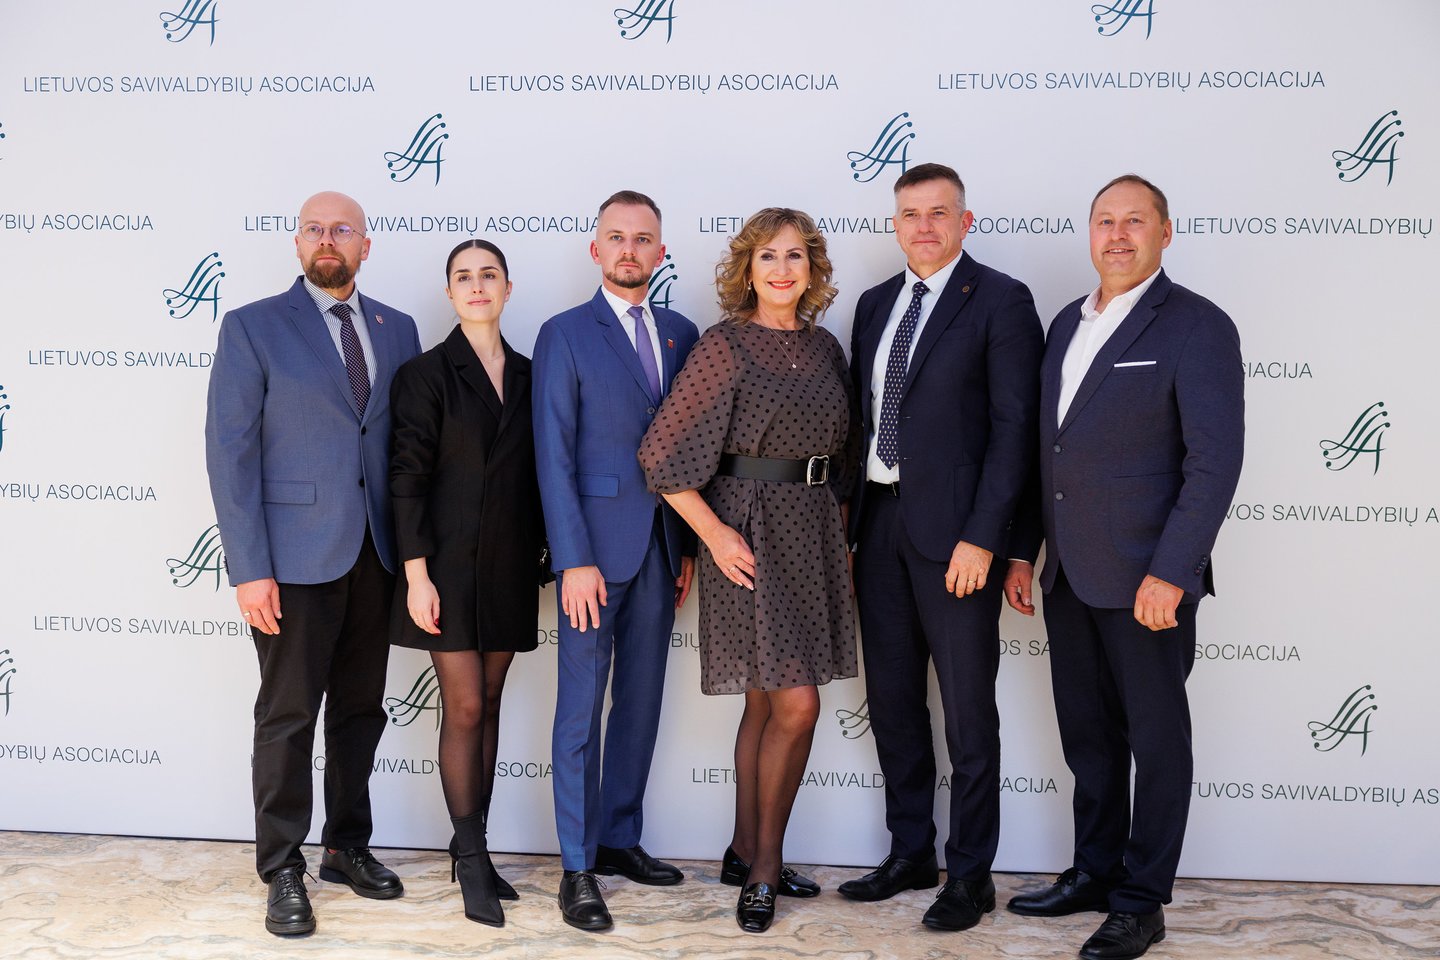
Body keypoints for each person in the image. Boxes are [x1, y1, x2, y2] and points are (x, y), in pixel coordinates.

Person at [1004, 174, 1244, 960]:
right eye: (1104, 221)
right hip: (1069, 575)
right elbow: (1050, 453)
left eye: (1134, 221)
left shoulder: (1198, 326)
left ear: (1164, 234)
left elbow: (1213, 464)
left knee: (1157, 741)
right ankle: (1095, 871)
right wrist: (1024, 550)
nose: (1116, 235)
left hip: (1148, 580)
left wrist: (1173, 571)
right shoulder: (1065, 324)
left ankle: (1142, 901)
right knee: (1089, 736)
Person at [205, 191, 421, 936]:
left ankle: (346, 846)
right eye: (314, 229)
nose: (328, 240)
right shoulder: (253, 326)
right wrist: (248, 568)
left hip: (376, 555)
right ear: (298, 243)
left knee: (361, 711)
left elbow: (403, 446)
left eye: (342, 229)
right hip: (292, 561)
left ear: (366, 244)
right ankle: (282, 866)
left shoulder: (398, 328)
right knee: (289, 713)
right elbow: (230, 452)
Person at [639, 207, 859, 933]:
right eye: (768, 256)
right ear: (747, 269)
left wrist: (842, 543)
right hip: (748, 535)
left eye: (795, 256)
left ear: (812, 267)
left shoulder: (826, 348)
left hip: (813, 533)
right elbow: (661, 455)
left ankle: (742, 850)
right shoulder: (725, 344)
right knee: (797, 707)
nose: (782, 269)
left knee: (766, 706)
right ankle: (765, 869)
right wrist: (713, 536)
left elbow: (843, 456)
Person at [840, 163, 1043, 932]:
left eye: (938, 212)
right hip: (879, 528)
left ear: (965, 221)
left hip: (959, 539)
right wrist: (849, 531)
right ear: (895, 224)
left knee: (967, 714)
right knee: (894, 704)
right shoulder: (874, 304)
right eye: (910, 214)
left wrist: (985, 539)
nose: (923, 226)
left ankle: (971, 876)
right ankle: (910, 853)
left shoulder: (1001, 299)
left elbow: (1014, 432)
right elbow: (862, 423)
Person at [531, 190, 699, 932]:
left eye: (643, 239)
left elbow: (692, 449)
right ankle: (577, 866)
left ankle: (618, 838)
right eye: (617, 238)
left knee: (640, 701)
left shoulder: (683, 333)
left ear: (661, 252)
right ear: (595, 250)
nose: (630, 250)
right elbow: (553, 455)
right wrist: (573, 559)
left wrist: (685, 545)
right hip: (593, 558)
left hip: (662, 548)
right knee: (580, 711)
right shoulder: (564, 333)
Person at [388, 239, 544, 928]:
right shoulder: (424, 374)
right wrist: (416, 574)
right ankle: (473, 861)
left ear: (508, 287)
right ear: (449, 292)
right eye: (464, 277)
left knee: (493, 703)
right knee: (468, 706)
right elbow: (406, 478)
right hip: (444, 569)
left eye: (489, 275)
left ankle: (472, 844)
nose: (477, 286)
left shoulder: (535, 374)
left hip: (509, 565)